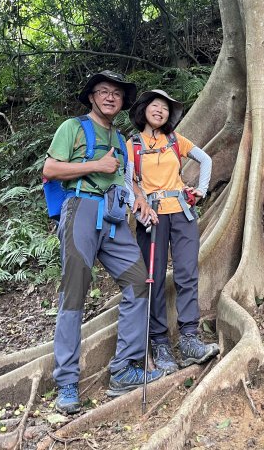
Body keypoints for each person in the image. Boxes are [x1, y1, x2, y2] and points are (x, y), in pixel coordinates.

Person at [43, 71, 163, 415]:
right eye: (104, 91)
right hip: (80, 209)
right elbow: (51, 169)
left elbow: (123, 180)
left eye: (117, 94)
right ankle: (66, 380)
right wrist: (96, 164)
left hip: (113, 218)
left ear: (123, 102)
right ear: (92, 96)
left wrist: (138, 200)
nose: (111, 97)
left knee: (139, 282)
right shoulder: (74, 127)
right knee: (74, 292)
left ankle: (124, 368)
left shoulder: (120, 138)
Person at [125, 89, 219, 375]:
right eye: (154, 106)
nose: (160, 110)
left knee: (187, 273)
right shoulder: (133, 145)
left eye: (165, 108)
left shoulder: (176, 140)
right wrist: (138, 210)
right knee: (152, 278)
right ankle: (159, 342)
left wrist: (201, 191)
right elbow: (127, 181)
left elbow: (206, 160)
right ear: (143, 110)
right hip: (151, 217)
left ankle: (190, 338)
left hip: (181, 212)